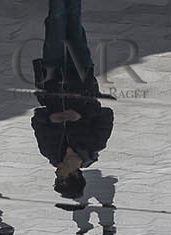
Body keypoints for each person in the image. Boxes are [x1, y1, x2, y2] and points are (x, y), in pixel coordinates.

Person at [31, 0, 113, 199]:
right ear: (74, 174)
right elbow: (106, 115)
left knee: (56, 22)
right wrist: (79, 116)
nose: (57, 174)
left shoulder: (49, 151)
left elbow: (37, 120)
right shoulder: (94, 145)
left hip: (52, 79)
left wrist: (51, 119)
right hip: (80, 77)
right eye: (61, 178)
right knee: (74, 22)